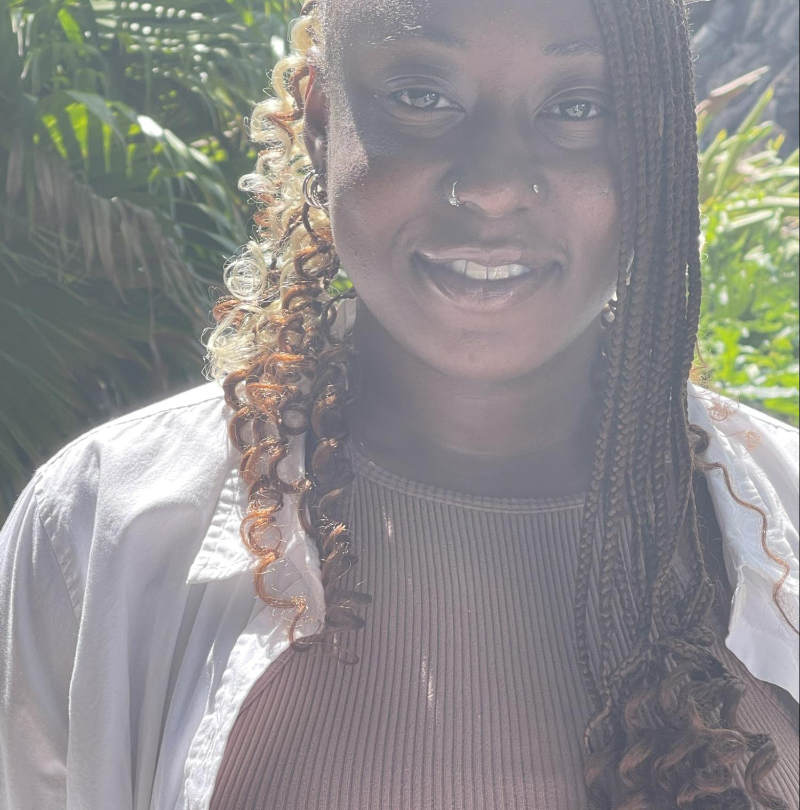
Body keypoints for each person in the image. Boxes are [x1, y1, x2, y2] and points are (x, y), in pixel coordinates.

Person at [1, 0, 798, 807]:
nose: (491, 185)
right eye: (421, 96)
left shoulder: (783, 521)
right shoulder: (101, 526)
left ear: (656, 144)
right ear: (320, 121)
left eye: (578, 107)